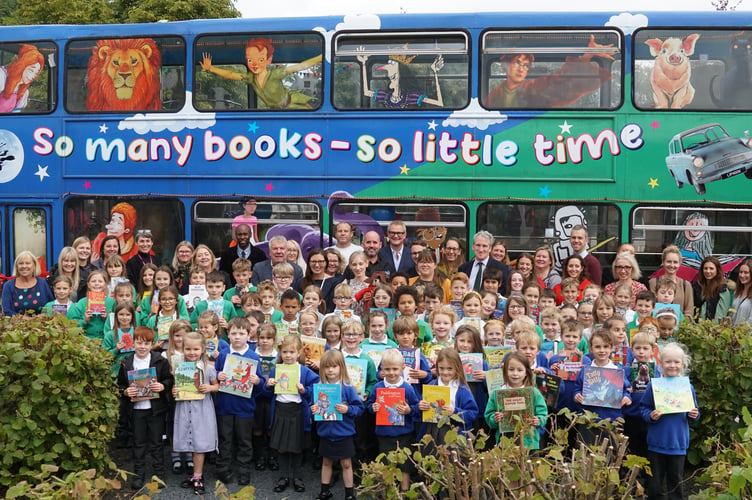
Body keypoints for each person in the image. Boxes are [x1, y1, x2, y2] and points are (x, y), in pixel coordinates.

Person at [484, 35, 613, 109]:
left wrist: (586, 57)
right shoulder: (495, 95)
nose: (521, 69)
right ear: (505, 66)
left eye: (526, 65)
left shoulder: (534, 88)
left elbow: (563, 84)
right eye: (517, 62)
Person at [640, 343, 700, 500]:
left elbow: (695, 412)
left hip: (678, 443)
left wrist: (694, 415)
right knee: (655, 482)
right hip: (656, 442)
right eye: (668, 362)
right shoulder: (654, 386)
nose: (672, 365)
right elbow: (643, 408)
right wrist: (650, 416)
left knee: (675, 482)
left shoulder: (688, 387)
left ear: (682, 364)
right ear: (661, 363)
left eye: (676, 362)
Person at [117, 326, 173, 490]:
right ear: (133, 343)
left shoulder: (159, 360)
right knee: (138, 443)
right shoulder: (126, 362)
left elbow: (169, 380)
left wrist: (162, 386)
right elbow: (119, 385)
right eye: (139, 343)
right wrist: (126, 391)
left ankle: (159, 474)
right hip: (136, 410)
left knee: (156, 443)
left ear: (151, 344)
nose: (142, 347)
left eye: (146, 343)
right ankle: (139, 474)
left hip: (155, 409)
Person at [201, 37, 322, 110]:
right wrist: (211, 68)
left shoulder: (276, 73)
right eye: (250, 60)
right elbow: (231, 74)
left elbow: (300, 66)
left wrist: (322, 56)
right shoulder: (251, 78)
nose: (254, 64)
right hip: (276, 112)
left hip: (293, 106)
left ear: (268, 60)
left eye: (260, 60)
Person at [214, 316, 265, 486]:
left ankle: (244, 471)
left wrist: (257, 381)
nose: (237, 337)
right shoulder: (222, 355)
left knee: (244, 441)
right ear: (228, 334)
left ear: (248, 334)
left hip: (245, 407)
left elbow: (260, 386)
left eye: (241, 333)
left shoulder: (253, 357)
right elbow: (215, 378)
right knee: (225, 439)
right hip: (225, 406)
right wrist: (218, 376)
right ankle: (223, 470)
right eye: (234, 333)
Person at [266, 335, 319, 494]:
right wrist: (268, 384)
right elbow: (266, 391)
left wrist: (304, 390)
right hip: (281, 410)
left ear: (299, 353)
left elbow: (315, 389)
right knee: (282, 447)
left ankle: (297, 477)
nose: (288, 355)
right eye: (284, 352)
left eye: (291, 352)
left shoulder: (304, 371)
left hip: (297, 412)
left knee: (297, 447)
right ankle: (283, 477)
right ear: (280, 353)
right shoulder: (276, 370)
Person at [311, 350, 364, 500]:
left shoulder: (347, 388)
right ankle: (324, 491)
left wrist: (347, 409)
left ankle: (349, 494)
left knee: (346, 463)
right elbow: (313, 406)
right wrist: (313, 409)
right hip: (326, 432)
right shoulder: (319, 386)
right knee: (326, 461)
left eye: (334, 366)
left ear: (341, 367)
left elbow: (359, 408)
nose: (330, 370)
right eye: (327, 367)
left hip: (344, 433)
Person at [366, 348, 420, 493]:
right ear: (382, 369)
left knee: (405, 466)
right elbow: (369, 405)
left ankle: (404, 491)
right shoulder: (378, 387)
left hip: (404, 434)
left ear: (402, 369)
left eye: (395, 369)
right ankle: (387, 491)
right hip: (384, 433)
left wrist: (408, 410)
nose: (391, 373)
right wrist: (373, 407)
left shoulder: (407, 388)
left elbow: (416, 407)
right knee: (385, 465)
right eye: (387, 369)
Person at [171, 331, 219, 495]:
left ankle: (198, 476)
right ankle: (194, 475)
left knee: (199, 442)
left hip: (202, 409)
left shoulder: (208, 368)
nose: (192, 353)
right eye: (188, 349)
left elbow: (217, 386)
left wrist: (210, 388)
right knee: (188, 440)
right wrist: (174, 389)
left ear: (203, 349)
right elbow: (175, 387)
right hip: (185, 407)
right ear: (183, 349)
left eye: (196, 349)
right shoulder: (179, 368)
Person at [484, 352, 547, 449]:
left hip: (529, 441)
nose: (515, 373)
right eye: (511, 369)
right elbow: (489, 415)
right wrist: (495, 419)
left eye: (520, 370)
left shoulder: (533, 392)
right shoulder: (497, 392)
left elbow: (543, 414)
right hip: (505, 440)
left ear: (526, 372)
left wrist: (538, 420)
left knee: (528, 463)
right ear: (505, 371)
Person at [417, 348, 479, 444]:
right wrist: (420, 406)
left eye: (449, 369)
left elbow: (472, 413)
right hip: (432, 431)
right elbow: (420, 411)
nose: (445, 372)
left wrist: (455, 411)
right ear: (437, 367)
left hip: (455, 431)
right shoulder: (431, 386)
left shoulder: (462, 390)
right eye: (441, 368)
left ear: (457, 368)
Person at [357, 50, 445, 109]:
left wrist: (435, 72)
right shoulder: (385, 96)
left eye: (391, 63)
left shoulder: (411, 97)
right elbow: (366, 92)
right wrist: (364, 64)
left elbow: (439, 103)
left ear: (400, 75)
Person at [67, 270, 116, 340]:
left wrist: (106, 318)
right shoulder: (81, 303)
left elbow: (118, 324)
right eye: (93, 281)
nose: (97, 284)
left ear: (105, 284)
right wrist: (85, 321)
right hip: (86, 339)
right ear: (88, 285)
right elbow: (72, 324)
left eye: (100, 281)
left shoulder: (112, 302)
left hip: (106, 340)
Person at [458, 231, 511, 295]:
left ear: (490, 248)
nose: (481, 249)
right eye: (478, 245)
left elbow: (503, 291)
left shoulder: (501, 268)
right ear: (473, 247)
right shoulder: (463, 268)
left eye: (484, 246)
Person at [650, 245, 694, 318]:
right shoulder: (653, 282)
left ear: (679, 264)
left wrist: (680, 324)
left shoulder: (685, 285)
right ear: (663, 262)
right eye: (669, 261)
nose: (672, 265)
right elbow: (651, 307)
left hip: (680, 326)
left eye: (675, 262)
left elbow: (689, 311)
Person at [0, 44, 44, 112]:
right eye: (31, 70)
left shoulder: (24, 92)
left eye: (36, 73)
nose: (33, 76)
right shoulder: (2, 76)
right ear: (22, 66)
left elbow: (16, 115)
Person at [693, 256, 732, 322]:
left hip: (713, 328)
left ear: (717, 270)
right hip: (696, 328)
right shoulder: (696, 286)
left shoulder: (722, 289)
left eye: (711, 268)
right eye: (705, 268)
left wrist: (712, 329)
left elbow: (721, 313)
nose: (708, 271)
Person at [732, 258, 752, 325]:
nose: (742, 275)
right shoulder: (737, 292)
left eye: (746, 272)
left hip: (746, 334)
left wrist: (741, 330)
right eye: (741, 272)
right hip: (733, 333)